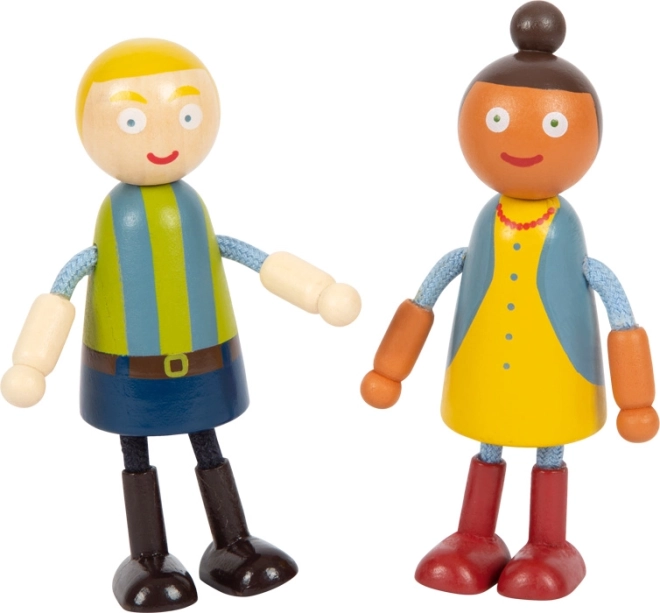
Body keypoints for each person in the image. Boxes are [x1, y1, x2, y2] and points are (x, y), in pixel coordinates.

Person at [2, 38, 360, 611]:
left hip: (203, 355)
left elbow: (251, 257)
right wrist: (32, 361)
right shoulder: (117, 217)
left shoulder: (190, 210)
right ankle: (148, 558)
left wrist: (317, 291)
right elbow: (65, 286)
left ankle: (232, 544)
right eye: (132, 122)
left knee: (207, 443)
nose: (164, 139)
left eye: (185, 117)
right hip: (125, 364)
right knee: (136, 452)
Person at [361, 1, 657, 600]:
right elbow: (428, 295)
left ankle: (549, 545)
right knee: (488, 442)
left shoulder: (565, 231)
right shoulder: (484, 227)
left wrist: (636, 399)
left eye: (554, 126)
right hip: (483, 369)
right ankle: (474, 537)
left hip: (556, 370)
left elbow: (617, 310)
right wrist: (390, 368)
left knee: (549, 450)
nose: (520, 138)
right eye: (496, 120)